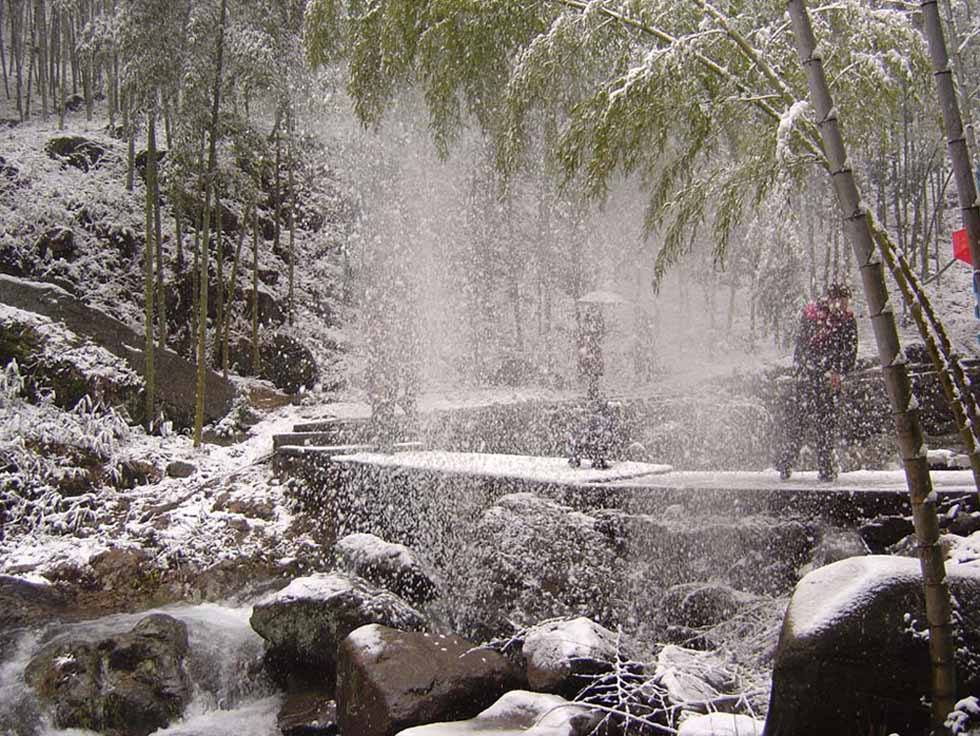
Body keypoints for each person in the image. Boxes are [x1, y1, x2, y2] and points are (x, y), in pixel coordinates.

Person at [776, 283, 858, 482]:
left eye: (844, 301)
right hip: (809, 376)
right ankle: (787, 463)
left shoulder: (847, 320)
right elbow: (801, 345)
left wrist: (838, 370)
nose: (841, 305)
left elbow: (850, 350)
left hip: (830, 379)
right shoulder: (812, 316)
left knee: (826, 425)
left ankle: (825, 467)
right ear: (830, 299)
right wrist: (802, 370)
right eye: (838, 300)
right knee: (800, 422)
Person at [578, 305, 605, 401]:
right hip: (592, 353)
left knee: (593, 373)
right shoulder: (593, 330)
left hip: (592, 353)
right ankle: (593, 391)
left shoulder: (589, 329)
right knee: (594, 373)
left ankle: (593, 391)